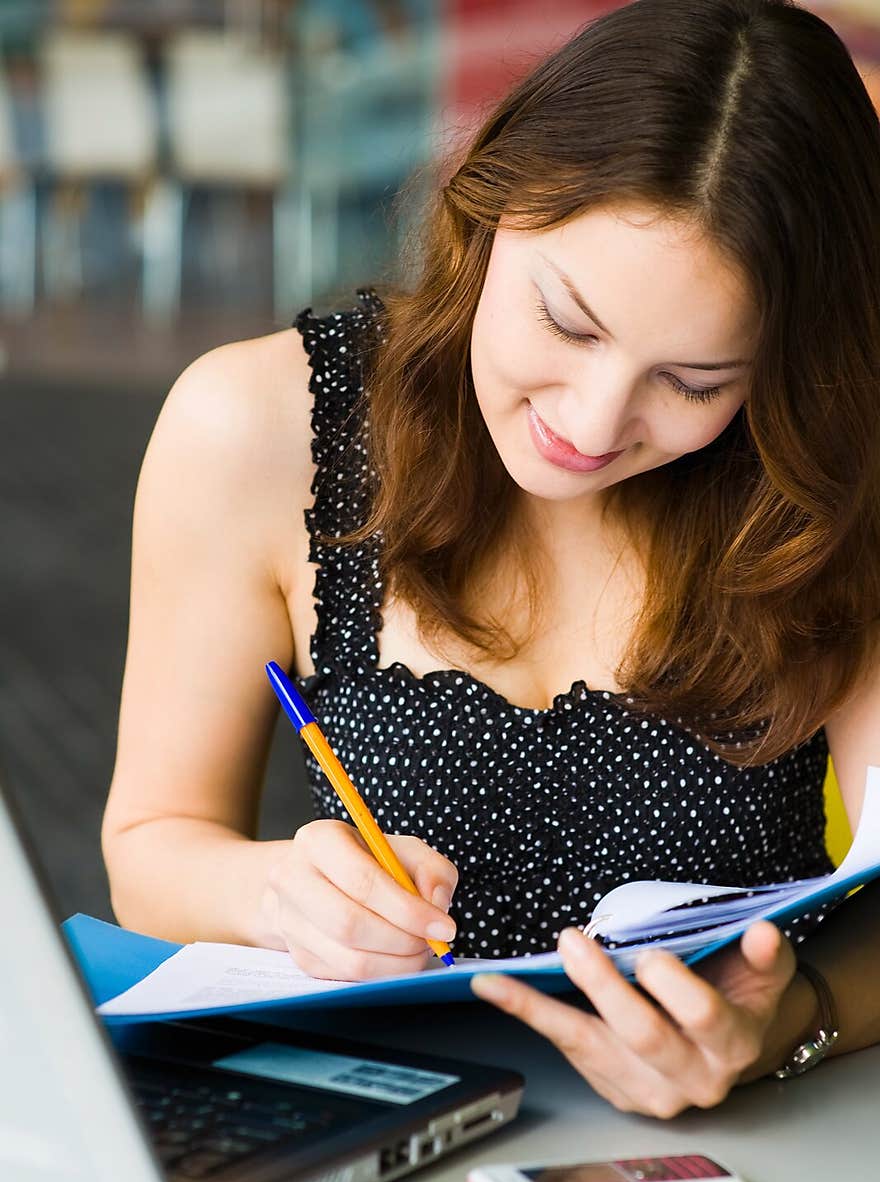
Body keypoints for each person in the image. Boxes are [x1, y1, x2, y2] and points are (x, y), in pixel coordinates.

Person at [102, 0, 880, 1118]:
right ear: (492, 201)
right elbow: (148, 848)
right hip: (372, 1127)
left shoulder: (823, 481)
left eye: (696, 381)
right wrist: (280, 894)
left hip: (744, 1156)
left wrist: (786, 1022)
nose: (595, 420)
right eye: (567, 322)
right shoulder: (257, 429)